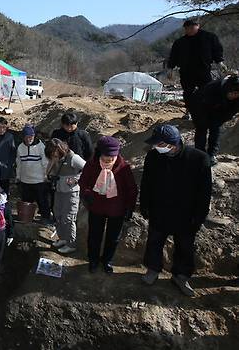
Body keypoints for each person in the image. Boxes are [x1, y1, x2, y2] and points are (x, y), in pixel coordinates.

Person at [140, 125, 212, 296]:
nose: (154, 147)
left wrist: (199, 215)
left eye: (158, 144)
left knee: (185, 245)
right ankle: (153, 269)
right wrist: (145, 204)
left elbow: (205, 191)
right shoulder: (153, 157)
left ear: (170, 144)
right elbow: (146, 183)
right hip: (160, 209)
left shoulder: (199, 159)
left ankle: (181, 275)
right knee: (155, 241)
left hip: (186, 214)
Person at [79, 136, 138, 273]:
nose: (109, 161)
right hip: (96, 206)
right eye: (106, 158)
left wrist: (130, 207)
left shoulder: (123, 167)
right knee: (94, 235)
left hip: (116, 208)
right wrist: (87, 194)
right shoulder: (92, 165)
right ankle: (93, 260)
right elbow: (83, 182)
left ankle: (107, 261)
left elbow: (132, 189)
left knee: (113, 238)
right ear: (99, 153)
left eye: (112, 158)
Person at [167, 19, 225, 116]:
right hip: (186, 72)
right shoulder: (180, 42)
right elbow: (173, 56)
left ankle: (208, 111)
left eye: (191, 27)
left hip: (204, 69)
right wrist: (170, 68)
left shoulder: (209, 37)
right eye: (186, 28)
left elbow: (217, 50)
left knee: (207, 91)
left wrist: (220, 62)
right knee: (188, 93)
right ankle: (189, 112)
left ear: (197, 26)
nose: (188, 30)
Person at [45, 138, 86, 254]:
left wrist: (76, 179)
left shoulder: (73, 158)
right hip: (59, 190)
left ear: (60, 149)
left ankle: (71, 244)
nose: (53, 156)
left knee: (68, 218)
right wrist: (52, 162)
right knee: (58, 215)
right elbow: (47, 173)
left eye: (54, 153)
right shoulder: (55, 158)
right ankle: (62, 238)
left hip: (71, 193)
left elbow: (88, 169)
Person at [190, 75, 239, 165]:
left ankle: (212, 155)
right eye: (232, 93)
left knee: (215, 130)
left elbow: (231, 112)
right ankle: (200, 154)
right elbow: (198, 106)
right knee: (201, 129)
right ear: (227, 89)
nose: (234, 96)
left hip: (220, 111)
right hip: (201, 106)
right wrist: (201, 120)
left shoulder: (236, 100)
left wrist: (219, 120)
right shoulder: (212, 88)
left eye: (236, 94)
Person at [15, 125, 50, 223]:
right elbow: (19, 163)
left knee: (42, 201)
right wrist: (18, 176)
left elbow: (45, 163)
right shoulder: (20, 147)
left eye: (31, 136)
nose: (29, 139)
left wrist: (45, 175)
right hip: (25, 180)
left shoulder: (40, 146)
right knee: (26, 201)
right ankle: (27, 218)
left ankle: (45, 218)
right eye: (27, 136)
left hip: (39, 180)